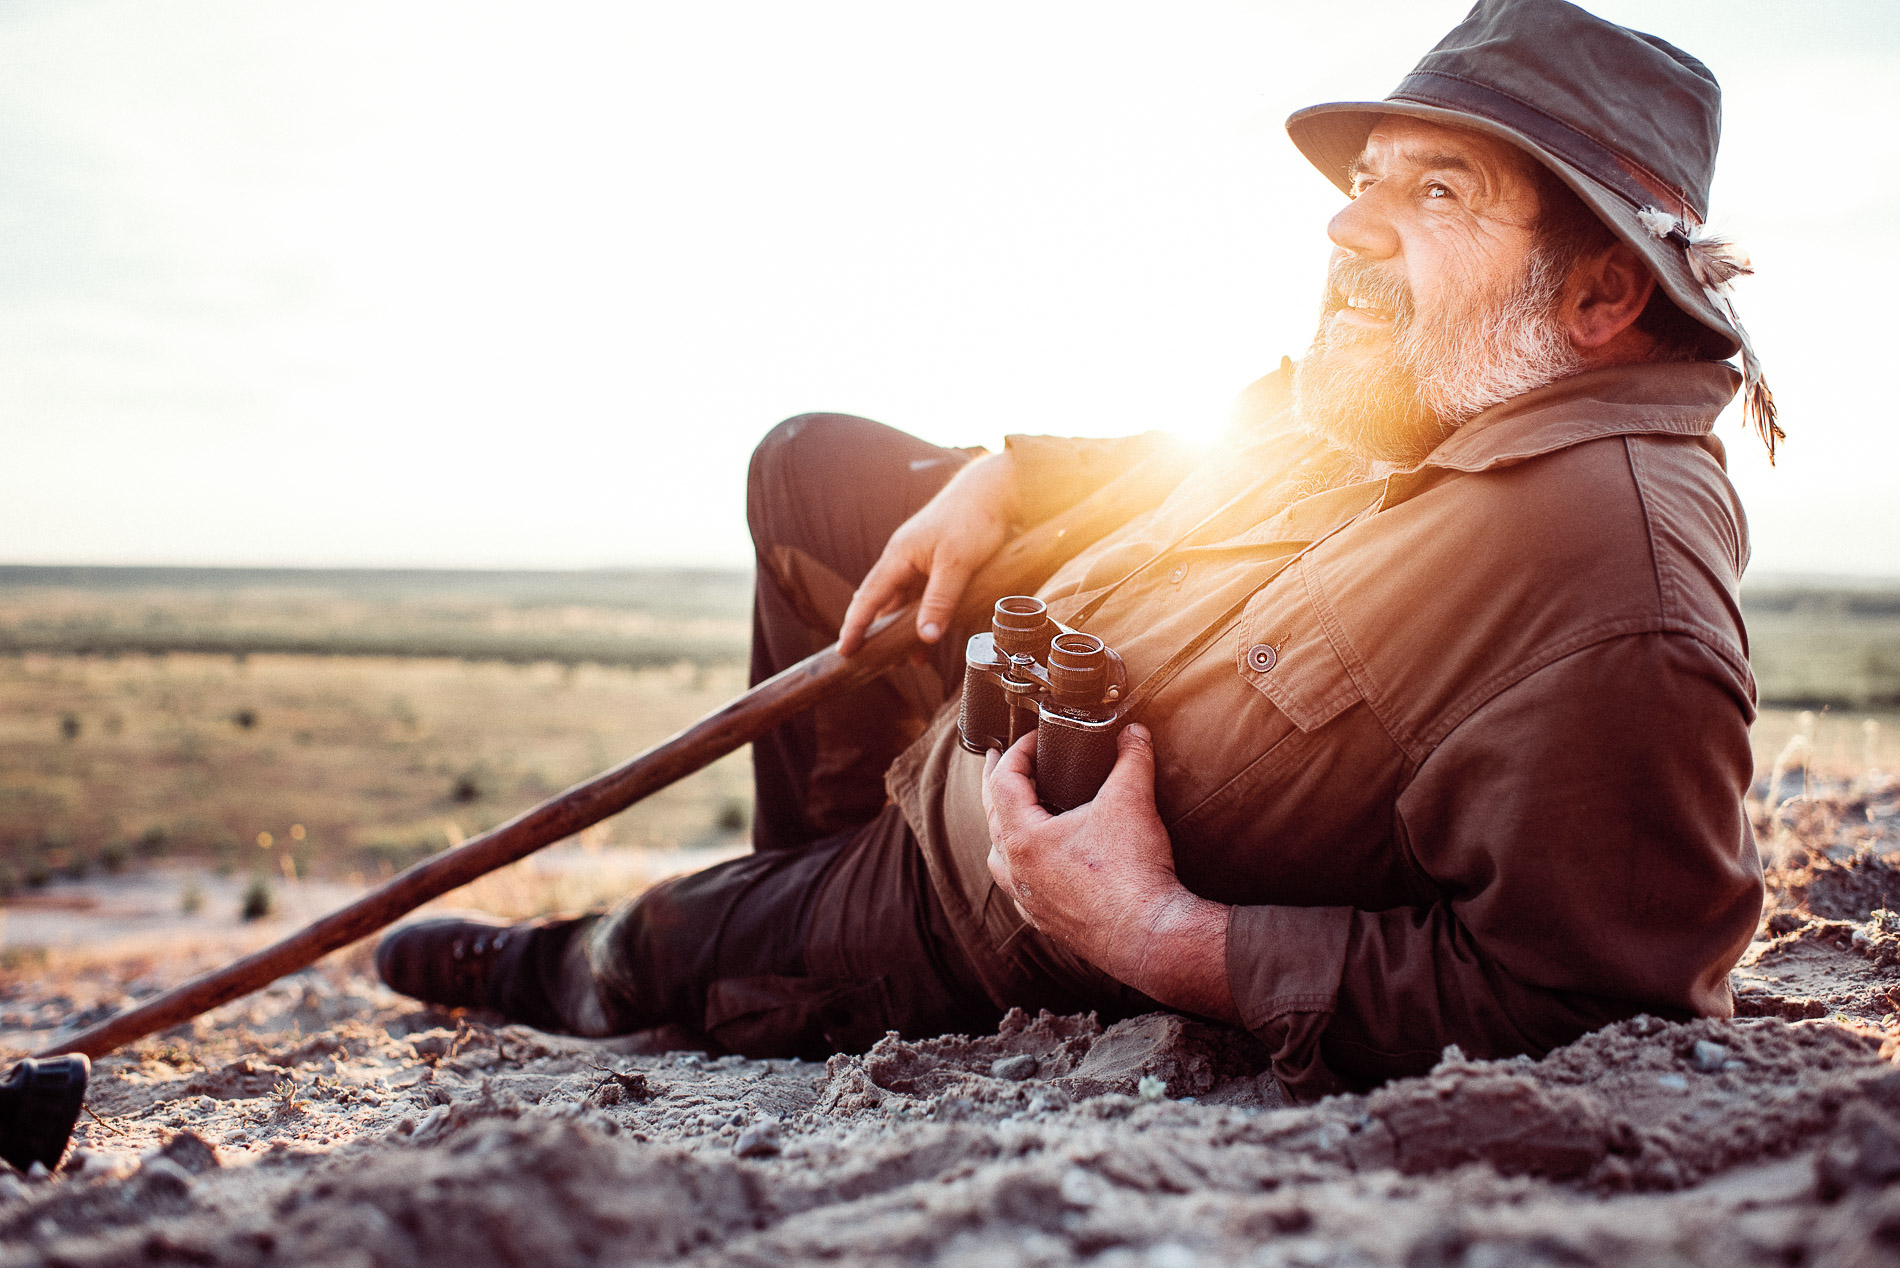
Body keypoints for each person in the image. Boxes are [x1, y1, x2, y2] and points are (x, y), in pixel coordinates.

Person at [376, 0, 1773, 1099]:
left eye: (1441, 194)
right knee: (810, 469)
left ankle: (693, 953)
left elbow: (1595, 1003)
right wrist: (1015, 473)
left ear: (1600, 292)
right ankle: (790, 889)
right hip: (1028, 668)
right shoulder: (1455, 365)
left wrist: (1162, 938)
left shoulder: (1614, 591)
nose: (1348, 221)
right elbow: (1243, 429)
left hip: (988, 884)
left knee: (661, 950)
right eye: (1372, 178)